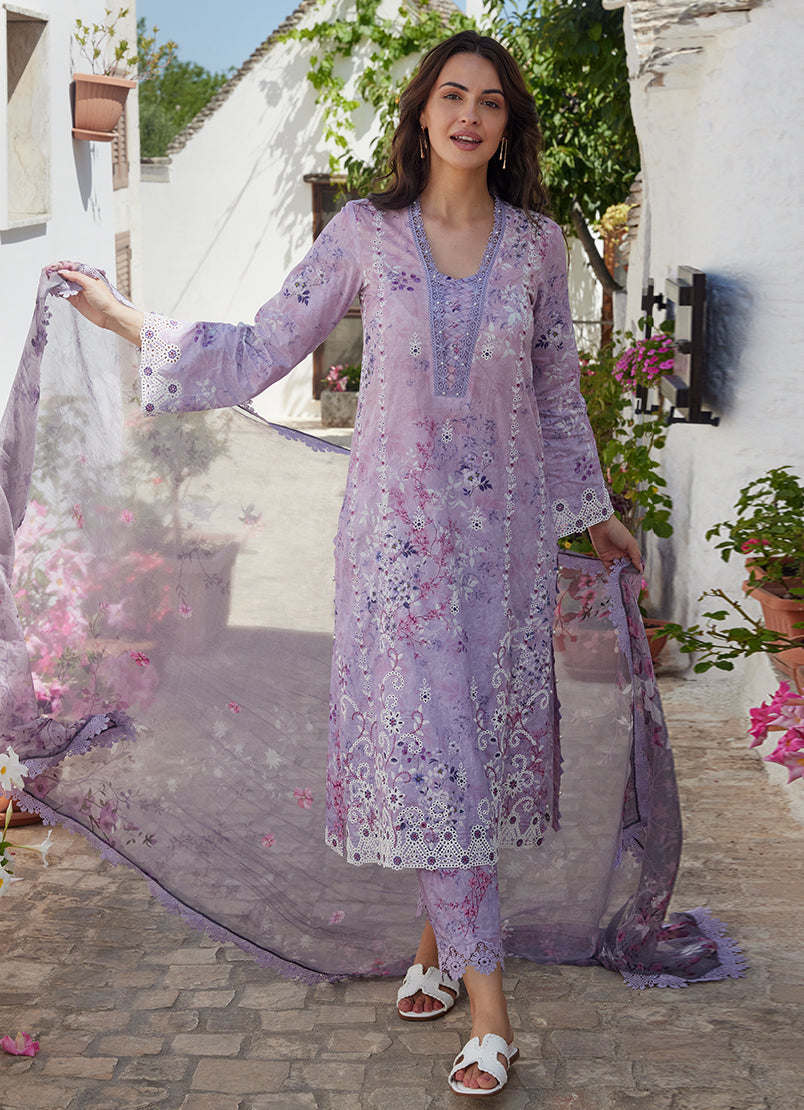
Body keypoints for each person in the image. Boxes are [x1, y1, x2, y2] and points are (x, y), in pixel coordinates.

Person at [60, 30, 641, 1099]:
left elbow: (557, 392)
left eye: (491, 102)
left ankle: (433, 950)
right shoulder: (366, 235)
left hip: (504, 552)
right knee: (438, 756)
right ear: (421, 113)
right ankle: (492, 1015)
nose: (469, 116)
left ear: (508, 126)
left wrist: (593, 513)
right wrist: (123, 318)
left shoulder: (536, 248)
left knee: (466, 758)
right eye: (452, 96)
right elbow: (259, 346)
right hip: (396, 553)